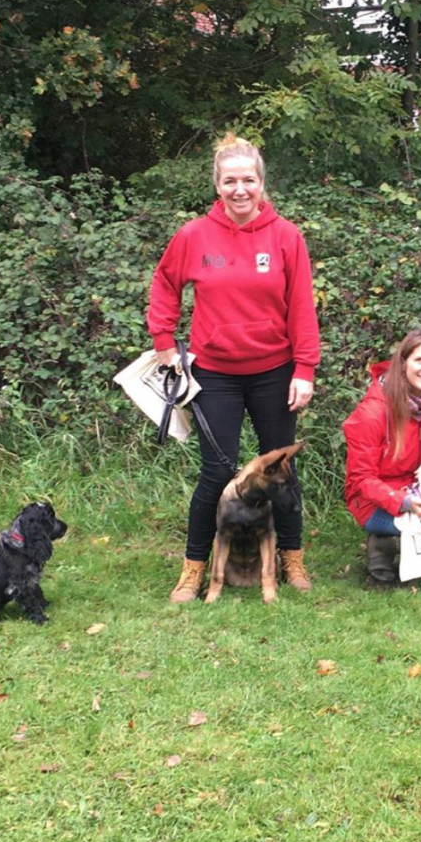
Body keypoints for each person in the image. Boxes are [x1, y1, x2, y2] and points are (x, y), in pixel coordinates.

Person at [148, 134, 320, 602]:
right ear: (217, 185)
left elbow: (301, 306)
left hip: (275, 370)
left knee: (283, 469)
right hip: (215, 373)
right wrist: (164, 341)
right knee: (215, 473)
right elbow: (165, 284)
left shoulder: (287, 236)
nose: (239, 189)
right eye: (230, 181)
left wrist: (304, 368)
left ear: (262, 183)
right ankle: (194, 567)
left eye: (248, 180)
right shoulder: (193, 235)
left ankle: (291, 557)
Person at [343, 328, 421, 584]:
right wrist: (405, 502)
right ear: (402, 364)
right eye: (419, 360)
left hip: (416, 489)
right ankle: (382, 545)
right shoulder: (372, 413)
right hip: (375, 502)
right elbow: (361, 480)